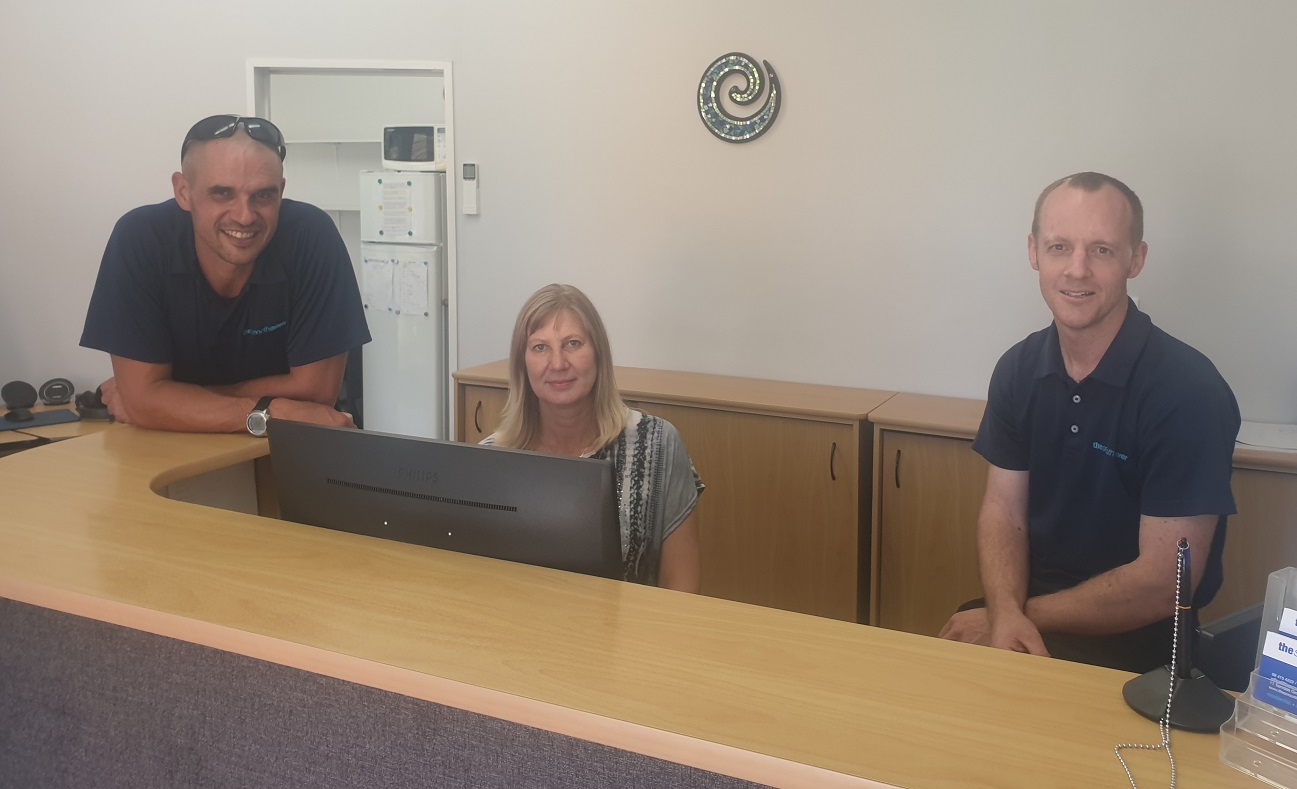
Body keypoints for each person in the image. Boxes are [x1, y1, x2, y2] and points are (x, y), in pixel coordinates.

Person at [937, 172, 1240, 673]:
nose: (1076, 270)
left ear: (1135, 259)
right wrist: (1005, 613)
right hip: (1028, 610)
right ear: (1034, 252)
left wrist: (1013, 617)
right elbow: (1004, 511)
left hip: (1142, 647)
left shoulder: (1188, 391)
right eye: (1059, 247)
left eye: (1101, 250)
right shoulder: (1018, 368)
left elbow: (1163, 584)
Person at [80, 115, 370, 433]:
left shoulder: (311, 236)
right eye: (222, 193)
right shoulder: (140, 239)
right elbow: (144, 402)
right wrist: (274, 410)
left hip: (285, 446)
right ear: (183, 192)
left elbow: (315, 394)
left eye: (264, 195)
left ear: (281, 191)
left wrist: (167, 400)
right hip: (168, 445)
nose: (244, 216)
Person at [482, 284, 703, 592]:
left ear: (598, 353)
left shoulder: (658, 444)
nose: (558, 363)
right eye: (540, 347)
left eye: (573, 343)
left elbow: (681, 584)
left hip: (630, 622)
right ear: (523, 364)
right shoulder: (490, 460)